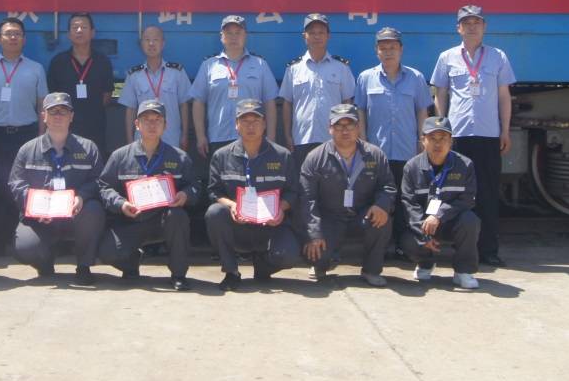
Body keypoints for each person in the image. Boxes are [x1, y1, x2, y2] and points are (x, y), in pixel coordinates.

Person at [430, 5, 515, 267]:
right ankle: (456, 247)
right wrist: (442, 130)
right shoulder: (447, 57)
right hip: (458, 136)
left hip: (488, 135)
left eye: (476, 22)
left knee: (488, 193)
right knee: (453, 192)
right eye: (466, 23)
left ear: (484, 26)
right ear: (458, 28)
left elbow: (504, 96)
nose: (471, 27)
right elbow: (440, 94)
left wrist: (505, 130)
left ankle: (488, 250)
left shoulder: (498, 57)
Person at [96, 99, 198, 291]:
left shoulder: (179, 157)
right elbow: (104, 187)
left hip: (164, 220)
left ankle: (178, 275)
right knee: (106, 252)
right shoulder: (120, 156)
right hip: (131, 221)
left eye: (157, 120)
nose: (152, 124)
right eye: (146, 120)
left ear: (165, 125)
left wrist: (185, 195)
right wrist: (121, 204)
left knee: (178, 217)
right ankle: (132, 261)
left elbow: (194, 186)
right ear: (137, 124)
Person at [204, 99, 301, 291]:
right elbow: (214, 191)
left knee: (289, 255)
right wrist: (231, 205)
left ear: (264, 124)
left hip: (271, 225)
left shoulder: (282, 155)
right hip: (238, 225)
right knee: (214, 213)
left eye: (255, 121)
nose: (250, 126)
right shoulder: (222, 156)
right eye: (245, 121)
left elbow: (293, 191)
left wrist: (281, 208)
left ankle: (263, 264)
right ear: (236, 125)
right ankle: (231, 272)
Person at [8, 92, 105, 285]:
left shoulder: (88, 148)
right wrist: (35, 207)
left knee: (93, 210)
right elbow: (16, 184)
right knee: (25, 248)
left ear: (71, 116)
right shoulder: (28, 149)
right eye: (53, 112)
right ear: (44, 116)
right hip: (39, 218)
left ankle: (84, 266)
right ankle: (44, 261)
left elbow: (99, 181)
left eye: (63, 111)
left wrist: (81, 196)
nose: (58, 116)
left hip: (76, 214)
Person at [0, 17, 48, 255]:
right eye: (8, 33)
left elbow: (42, 106)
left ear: (24, 39)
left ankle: (25, 240)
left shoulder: (36, 69)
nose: (13, 37)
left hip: (26, 135)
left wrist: (41, 138)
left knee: (25, 186)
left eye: (17, 33)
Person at [299, 104, 395, 287]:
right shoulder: (315, 158)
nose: (345, 131)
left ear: (358, 127)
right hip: (329, 217)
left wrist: (382, 205)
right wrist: (314, 233)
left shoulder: (375, 155)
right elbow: (307, 199)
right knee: (317, 255)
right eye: (339, 126)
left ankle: (371, 270)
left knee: (382, 220)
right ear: (330, 128)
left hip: (362, 215)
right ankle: (321, 264)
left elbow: (388, 186)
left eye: (350, 125)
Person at [355, 26, 430, 251]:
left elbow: (422, 112)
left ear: (401, 49)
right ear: (376, 51)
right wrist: (363, 143)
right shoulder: (366, 78)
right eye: (383, 47)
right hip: (376, 152)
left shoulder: (416, 78)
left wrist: (422, 143)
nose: (388, 52)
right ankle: (380, 245)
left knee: (405, 199)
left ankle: (402, 244)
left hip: (407, 150)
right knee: (378, 198)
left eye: (393, 47)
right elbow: (360, 112)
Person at [399, 116, 481, 290]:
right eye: (432, 138)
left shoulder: (465, 165)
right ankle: (425, 263)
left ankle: (463, 271)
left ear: (451, 141)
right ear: (423, 140)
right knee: (407, 241)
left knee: (470, 220)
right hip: (423, 225)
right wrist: (424, 235)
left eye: (443, 138)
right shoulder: (411, 167)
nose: (438, 144)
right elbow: (409, 204)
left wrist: (439, 215)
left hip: (452, 223)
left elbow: (467, 200)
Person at [191, 15, 279, 160]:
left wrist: (271, 137)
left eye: (238, 33)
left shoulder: (260, 65)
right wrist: (200, 136)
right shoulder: (209, 65)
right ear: (221, 36)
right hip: (218, 137)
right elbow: (198, 102)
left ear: (245, 35)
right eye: (229, 33)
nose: (233, 37)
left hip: (253, 138)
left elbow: (270, 102)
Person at [279, 13, 356, 166]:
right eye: (312, 33)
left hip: (334, 139)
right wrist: (287, 135)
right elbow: (287, 104)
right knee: (303, 180)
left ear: (328, 36)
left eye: (321, 32)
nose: (317, 36)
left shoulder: (341, 68)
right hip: (302, 138)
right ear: (304, 36)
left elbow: (348, 103)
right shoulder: (293, 68)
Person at [47, 12, 115, 154]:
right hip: (65, 126)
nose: (79, 31)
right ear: (68, 34)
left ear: (92, 33)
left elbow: (107, 95)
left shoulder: (102, 61)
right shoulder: (58, 62)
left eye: (84, 27)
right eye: (75, 27)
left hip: (95, 126)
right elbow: (52, 95)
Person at [118, 25, 192, 151]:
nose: (151, 44)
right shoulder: (134, 75)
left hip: (171, 138)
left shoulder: (177, 72)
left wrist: (185, 135)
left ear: (163, 43)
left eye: (155, 40)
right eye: (147, 40)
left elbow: (184, 105)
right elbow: (130, 110)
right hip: (142, 140)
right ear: (141, 44)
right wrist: (130, 140)